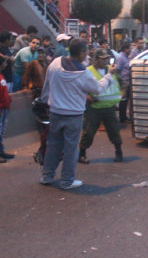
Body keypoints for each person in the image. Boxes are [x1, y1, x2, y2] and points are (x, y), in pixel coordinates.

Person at [40, 39, 117, 189]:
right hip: (73, 115)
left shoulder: (55, 63)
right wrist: (109, 75)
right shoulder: (83, 73)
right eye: (86, 53)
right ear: (81, 53)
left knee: (53, 145)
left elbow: (47, 86)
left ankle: (46, 176)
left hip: (55, 112)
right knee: (70, 148)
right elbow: (98, 89)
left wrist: (45, 101)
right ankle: (67, 180)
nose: (88, 56)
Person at [78, 49, 123, 164]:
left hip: (109, 107)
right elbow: (79, 87)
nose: (106, 61)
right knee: (88, 133)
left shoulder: (112, 70)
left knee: (114, 131)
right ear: (96, 59)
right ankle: (82, 153)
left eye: (107, 58)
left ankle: (119, 152)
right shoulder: (88, 71)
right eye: (103, 59)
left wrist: (121, 95)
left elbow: (123, 83)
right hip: (94, 108)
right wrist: (87, 97)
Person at [0, 55, 13, 163]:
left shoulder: (0, 75)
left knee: (1, 131)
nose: (5, 64)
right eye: (4, 62)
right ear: (0, 64)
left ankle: (0, 150)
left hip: (4, 107)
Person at [116, 43, 131, 123]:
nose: (130, 50)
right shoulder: (121, 57)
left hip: (127, 82)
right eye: (129, 48)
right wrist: (121, 83)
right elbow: (118, 70)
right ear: (125, 49)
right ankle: (122, 118)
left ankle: (124, 116)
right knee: (123, 101)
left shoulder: (125, 57)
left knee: (125, 101)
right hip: (123, 83)